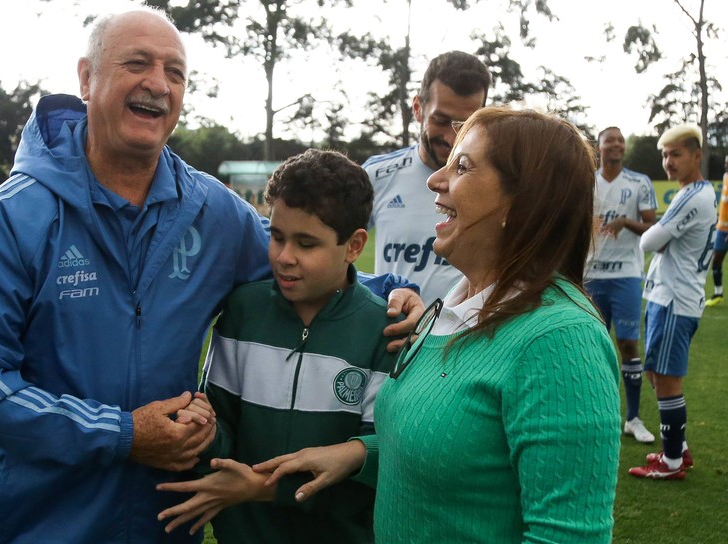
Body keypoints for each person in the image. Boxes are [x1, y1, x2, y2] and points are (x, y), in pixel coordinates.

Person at [0, 9, 422, 544]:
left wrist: (394, 294)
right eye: (137, 63)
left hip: (162, 520)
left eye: (175, 71)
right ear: (86, 78)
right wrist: (121, 435)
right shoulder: (14, 216)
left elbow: (303, 260)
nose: (158, 84)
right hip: (39, 523)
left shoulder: (209, 209)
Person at [255, 107, 622, 543]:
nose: (435, 179)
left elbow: (565, 536)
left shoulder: (559, 339)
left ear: (523, 200)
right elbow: (456, 451)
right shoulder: (452, 306)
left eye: (462, 166)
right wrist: (358, 454)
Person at [154, 149, 396, 542]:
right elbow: (222, 426)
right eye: (276, 236)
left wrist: (265, 488)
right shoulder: (243, 310)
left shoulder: (383, 331)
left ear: (354, 246)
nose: (284, 258)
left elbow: (374, 462)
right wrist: (203, 430)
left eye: (306, 244)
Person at [364, 51, 491, 303]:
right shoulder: (375, 175)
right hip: (392, 336)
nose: (452, 138)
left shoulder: (495, 183)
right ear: (418, 109)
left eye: (465, 125)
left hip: (464, 337)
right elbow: (331, 251)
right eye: (441, 120)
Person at [629, 123, 717, 480]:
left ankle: (673, 462)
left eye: (676, 154)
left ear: (697, 156)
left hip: (675, 300)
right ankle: (677, 448)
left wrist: (659, 233)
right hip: (670, 296)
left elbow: (647, 242)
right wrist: (661, 233)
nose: (668, 161)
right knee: (655, 372)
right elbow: (659, 236)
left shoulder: (691, 196)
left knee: (666, 379)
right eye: (665, 155)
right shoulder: (699, 192)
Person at [585, 126, 658, 443]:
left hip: (626, 273)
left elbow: (651, 228)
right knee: (592, 348)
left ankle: (633, 418)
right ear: (599, 147)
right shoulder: (586, 182)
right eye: (609, 140)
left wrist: (625, 222)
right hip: (589, 275)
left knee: (628, 344)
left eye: (619, 140)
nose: (615, 144)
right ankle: (599, 415)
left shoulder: (639, 182)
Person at [704, 154, 728, 307]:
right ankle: (718, 293)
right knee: (717, 259)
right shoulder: (726, 176)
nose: (726, 165)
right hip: (721, 228)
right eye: (726, 162)